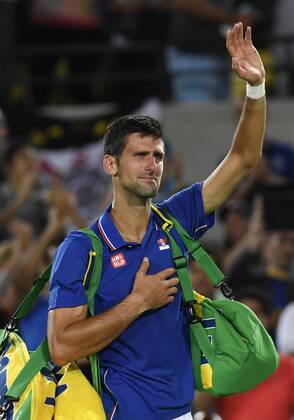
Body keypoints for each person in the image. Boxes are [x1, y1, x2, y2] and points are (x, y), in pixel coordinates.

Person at [47, 23, 266, 419]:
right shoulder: (81, 249)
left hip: (183, 413)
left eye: (159, 156)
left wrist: (255, 90)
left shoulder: (176, 219)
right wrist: (136, 303)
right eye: (141, 155)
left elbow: (242, 160)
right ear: (110, 164)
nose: (153, 165)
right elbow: (61, 346)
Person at [193, 287, 294, 420]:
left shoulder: (289, 367)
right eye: (240, 318)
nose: (246, 325)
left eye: (255, 315)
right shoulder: (222, 366)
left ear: (268, 320)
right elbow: (199, 408)